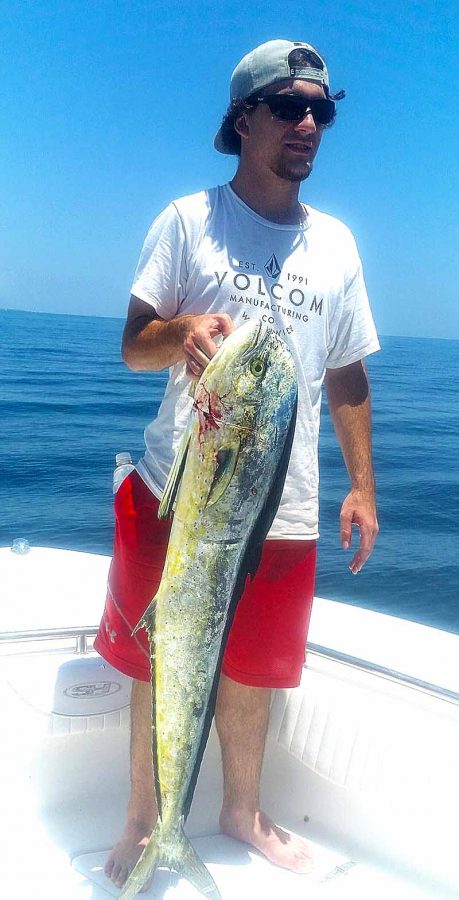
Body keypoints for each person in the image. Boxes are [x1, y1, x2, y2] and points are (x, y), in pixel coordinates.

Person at [94, 38, 380, 889]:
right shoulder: (188, 220)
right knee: (161, 656)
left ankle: (241, 811)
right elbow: (131, 347)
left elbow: (347, 371)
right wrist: (180, 333)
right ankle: (147, 822)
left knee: (254, 668)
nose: (307, 124)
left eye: (320, 112)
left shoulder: (336, 245)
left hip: (283, 502)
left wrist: (363, 485)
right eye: (290, 107)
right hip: (176, 493)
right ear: (243, 118)